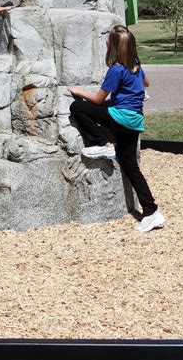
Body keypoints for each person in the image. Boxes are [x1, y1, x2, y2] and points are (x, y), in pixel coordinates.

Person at [68, 24, 165, 233]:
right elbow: (146, 83)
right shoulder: (135, 65)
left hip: (120, 118)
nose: (105, 42)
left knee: (77, 107)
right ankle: (151, 211)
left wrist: (79, 91)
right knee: (130, 165)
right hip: (135, 121)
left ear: (113, 47)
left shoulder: (116, 69)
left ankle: (104, 143)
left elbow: (98, 99)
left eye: (108, 41)